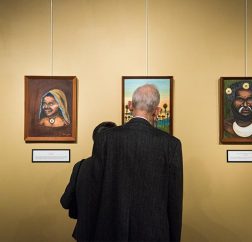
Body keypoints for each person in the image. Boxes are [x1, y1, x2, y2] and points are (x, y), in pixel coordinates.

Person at [90, 84, 183, 242]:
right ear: (157, 111)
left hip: (110, 230)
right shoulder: (171, 144)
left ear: (130, 106)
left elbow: (94, 192)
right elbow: (174, 200)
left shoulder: (104, 138)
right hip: (154, 232)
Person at [60, 122, 117, 236]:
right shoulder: (122, 167)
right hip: (113, 235)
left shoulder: (80, 166)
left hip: (85, 233)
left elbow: (65, 202)